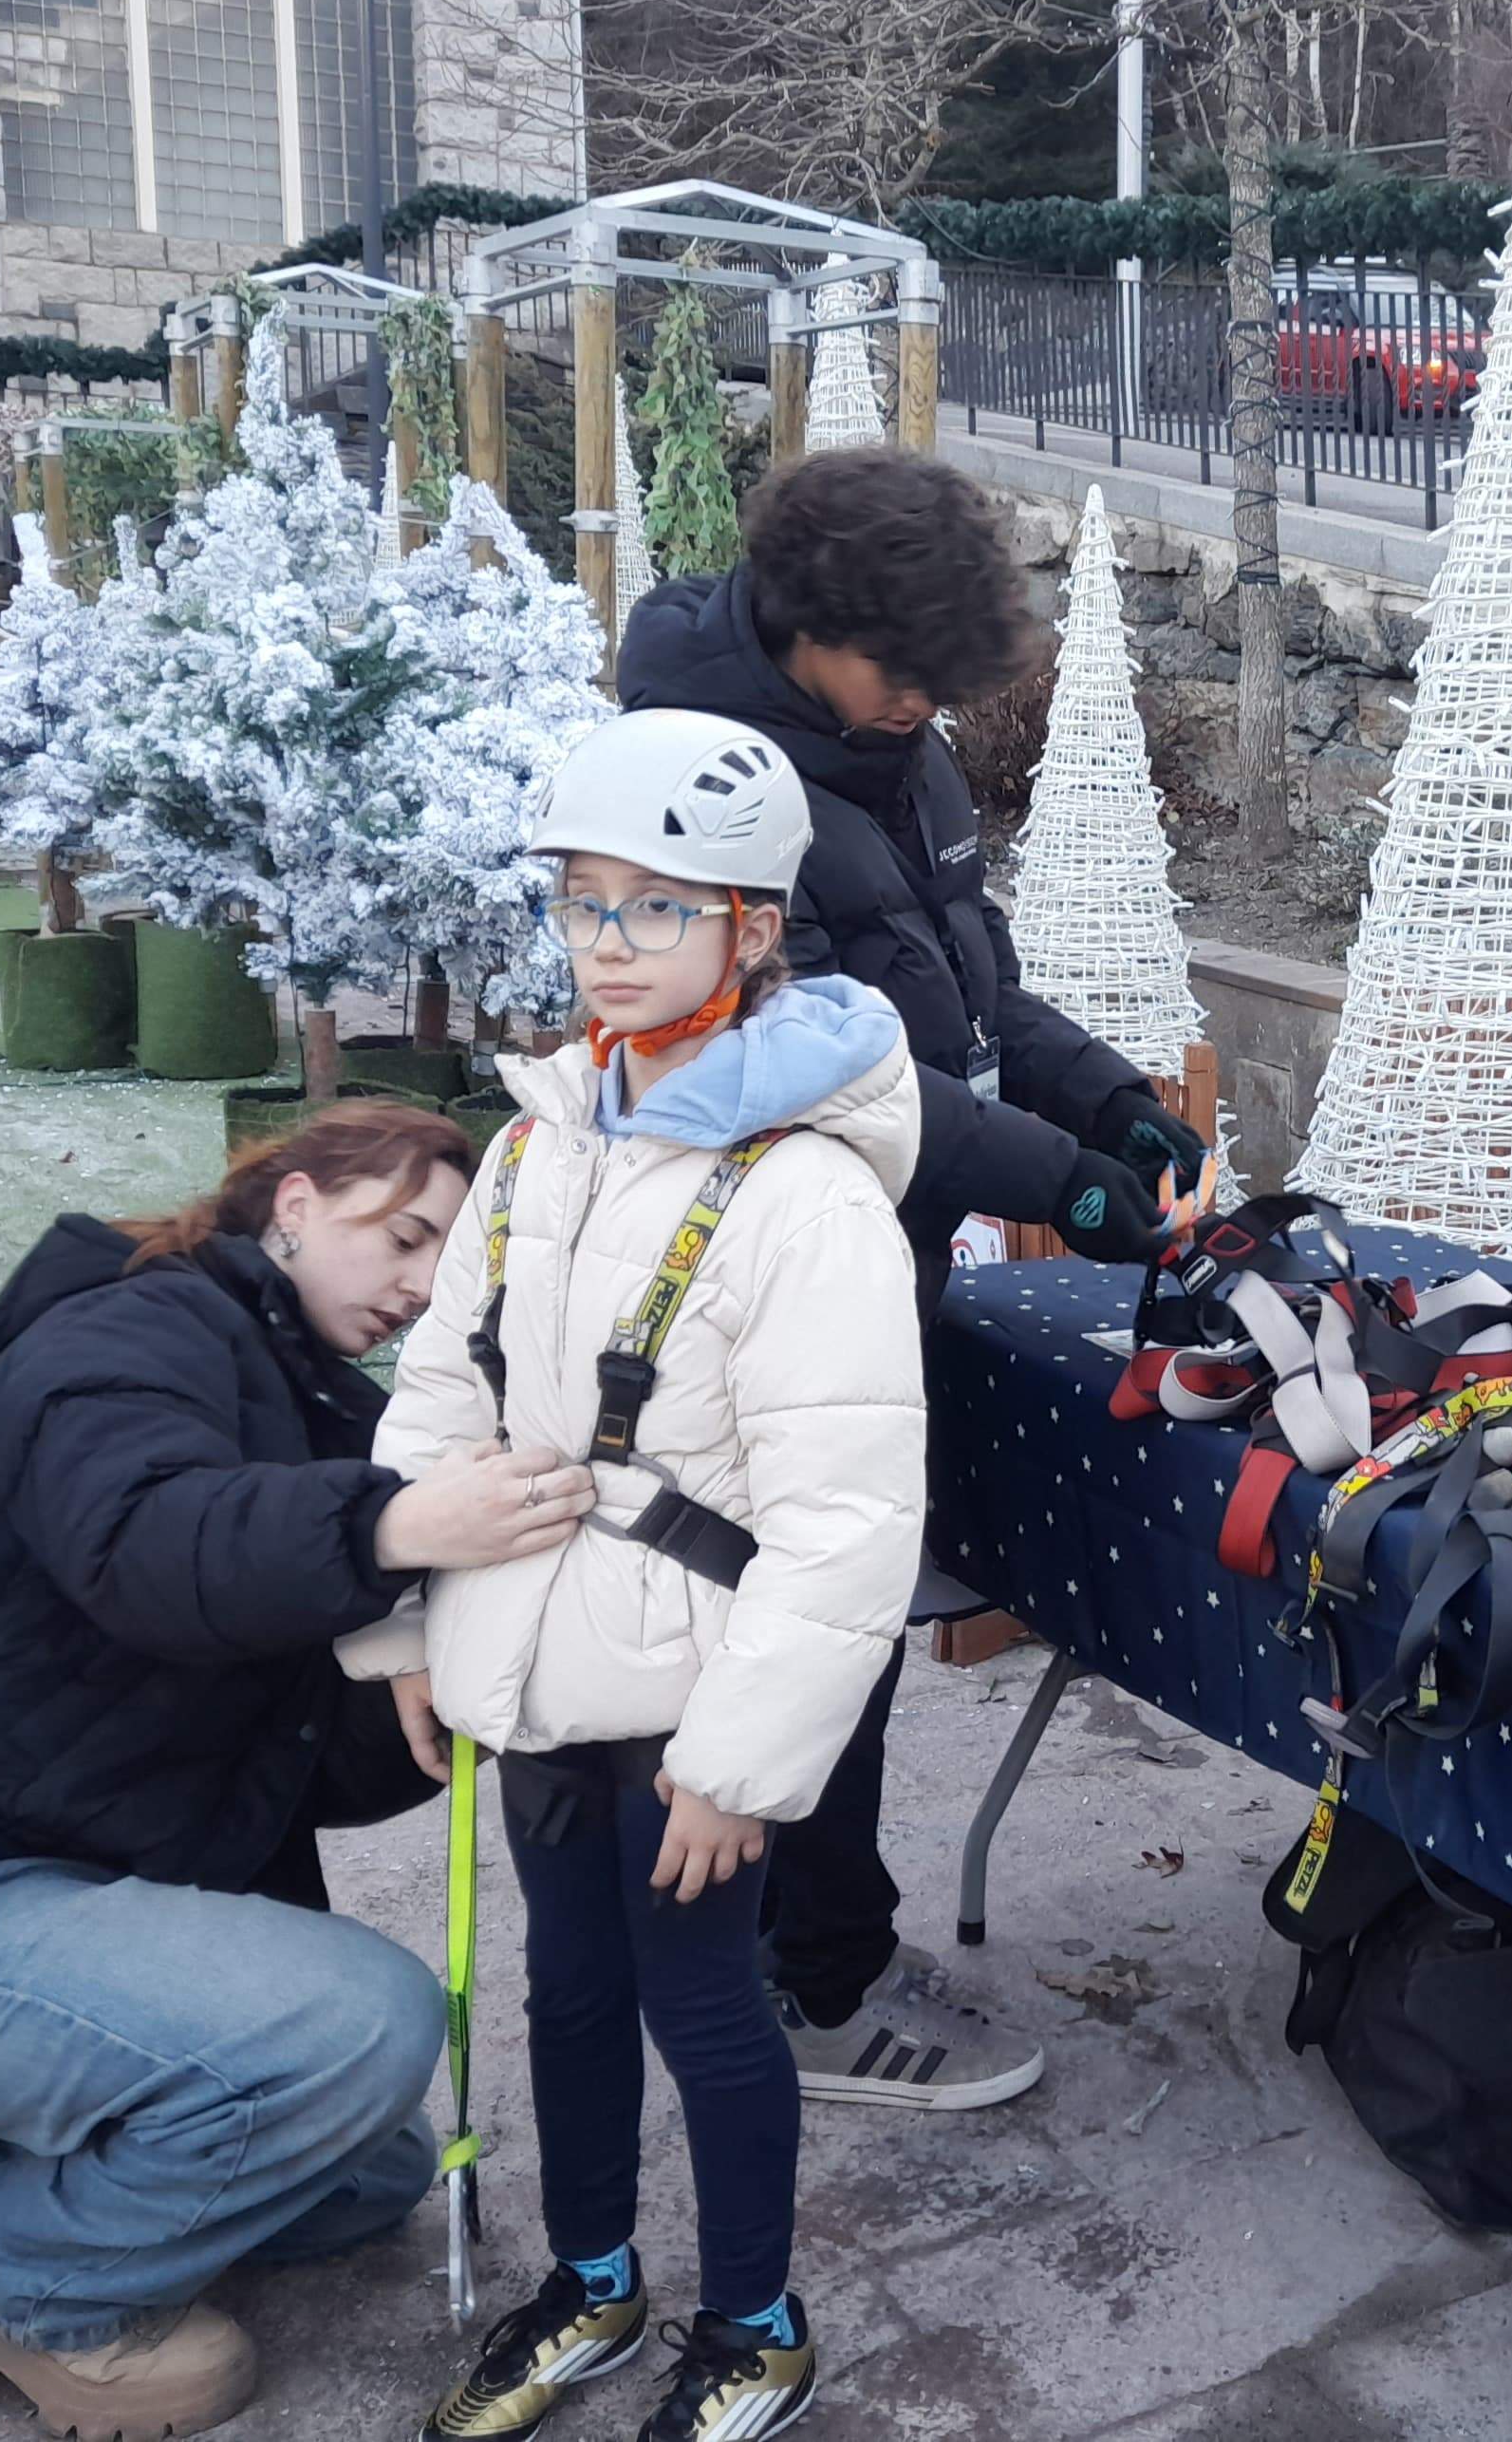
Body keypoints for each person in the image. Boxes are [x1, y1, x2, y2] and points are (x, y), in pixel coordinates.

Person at [0, 1101, 600, 2442]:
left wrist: (414, 1692)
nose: (425, 1284)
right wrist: (393, 1526)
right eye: (406, 1233)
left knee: (364, 2169)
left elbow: (279, 1756)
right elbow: (146, 1539)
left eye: (456, 1263)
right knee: (363, 2027)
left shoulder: (317, 1409)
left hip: (84, 1896)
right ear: (298, 1202)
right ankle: (14, 2292)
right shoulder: (125, 1326)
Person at [352, 711, 924, 2441]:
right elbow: (442, 1392)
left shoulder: (805, 1196)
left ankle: (757, 2322)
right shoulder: (539, 1146)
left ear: (751, 930)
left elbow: (847, 1517)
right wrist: (400, 1621)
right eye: (585, 906)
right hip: (533, 1656)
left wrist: (743, 1762)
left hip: (690, 1694)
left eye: (656, 910)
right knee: (569, 1989)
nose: (609, 947)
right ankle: (594, 2282)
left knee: (701, 2000)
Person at [621, 445, 1206, 2113]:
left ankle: (818, 1949)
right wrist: (1059, 1190)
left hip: (879, 1266)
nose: (924, 710)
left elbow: (957, 994)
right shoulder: (700, 792)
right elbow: (803, 1066)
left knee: (851, 1617)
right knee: (801, 1619)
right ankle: (804, 1992)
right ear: (808, 630)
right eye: (904, 678)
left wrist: (1099, 1094)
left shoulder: (899, 754)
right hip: (749, 1286)